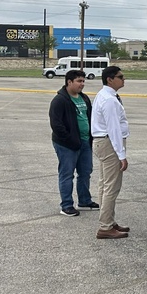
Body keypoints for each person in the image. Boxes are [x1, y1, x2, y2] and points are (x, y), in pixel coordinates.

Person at [48, 69, 98, 217]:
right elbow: (56, 125)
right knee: (67, 174)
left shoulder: (84, 98)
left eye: (83, 81)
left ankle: (84, 200)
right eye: (79, 81)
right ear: (69, 82)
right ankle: (66, 205)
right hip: (67, 145)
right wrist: (70, 140)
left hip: (85, 142)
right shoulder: (60, 100)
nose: (82, 84)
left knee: (85, 172)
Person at [91, 65, 131, 240]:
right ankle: (105, 226)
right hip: (108, 143)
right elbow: (113, 128)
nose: (123, 80)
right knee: (111, 186)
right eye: (120, 77)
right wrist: (121, 155)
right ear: (110, 79)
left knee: (105, 184)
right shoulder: (109, 100)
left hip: (103, 142)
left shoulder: (106, 96)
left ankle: (108, 220)